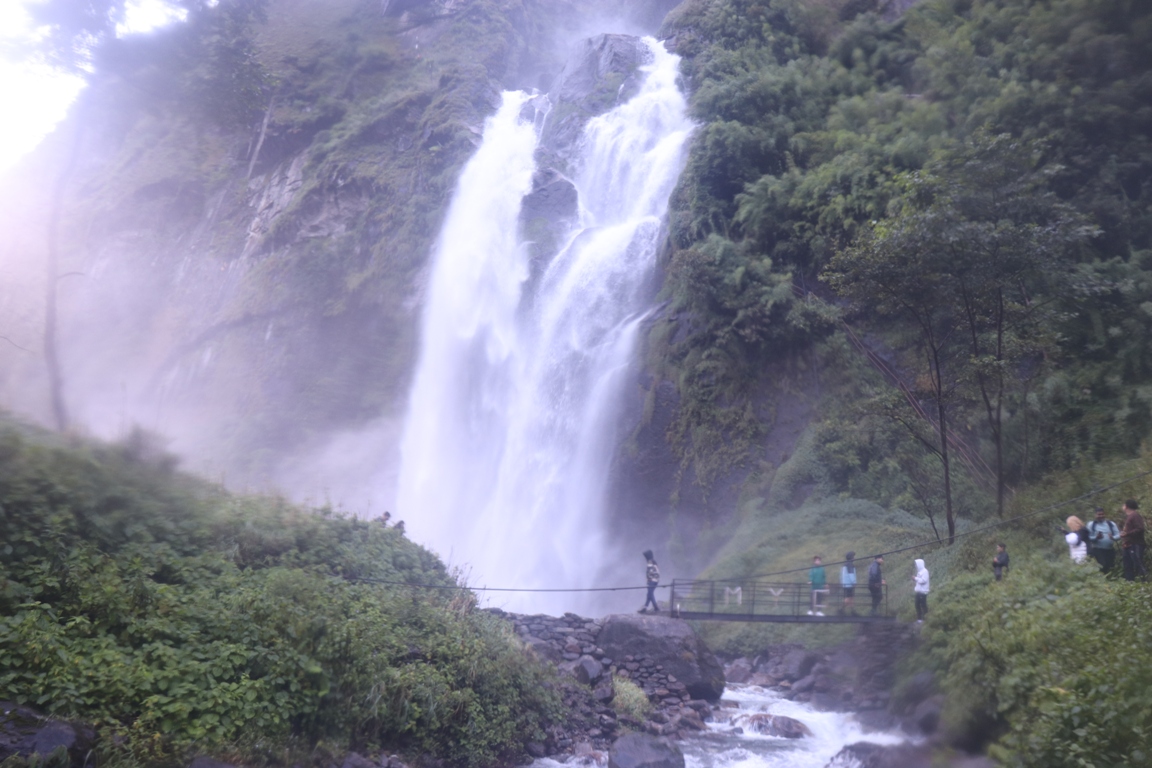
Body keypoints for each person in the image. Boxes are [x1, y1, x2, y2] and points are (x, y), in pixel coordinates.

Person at [1085, 506, 1120, 575]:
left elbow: (1119, 535)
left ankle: (1110, 580)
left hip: (1110, 549)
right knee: (1103, 565)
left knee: (1111, 566)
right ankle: (1103, 580)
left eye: (1102, 514)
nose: (1100, 516)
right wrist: (1096, 538)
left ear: (1104, 514)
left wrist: (1113, 538)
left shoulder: (1111, 524)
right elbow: (1087, 537)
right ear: (1095, 515)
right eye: (1099, 514)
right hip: (1098, 549)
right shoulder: (1091, 525)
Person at [1121, 500, 1146, 582]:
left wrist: (1127, 534)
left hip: (1136, 544)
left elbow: (1140, 529)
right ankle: (1130, 583)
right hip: (1128, 544)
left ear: (1127, 506)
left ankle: (1144, 583)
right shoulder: (1130, 516)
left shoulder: (1135, 515)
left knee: (1138, 564)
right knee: (1128, 565)